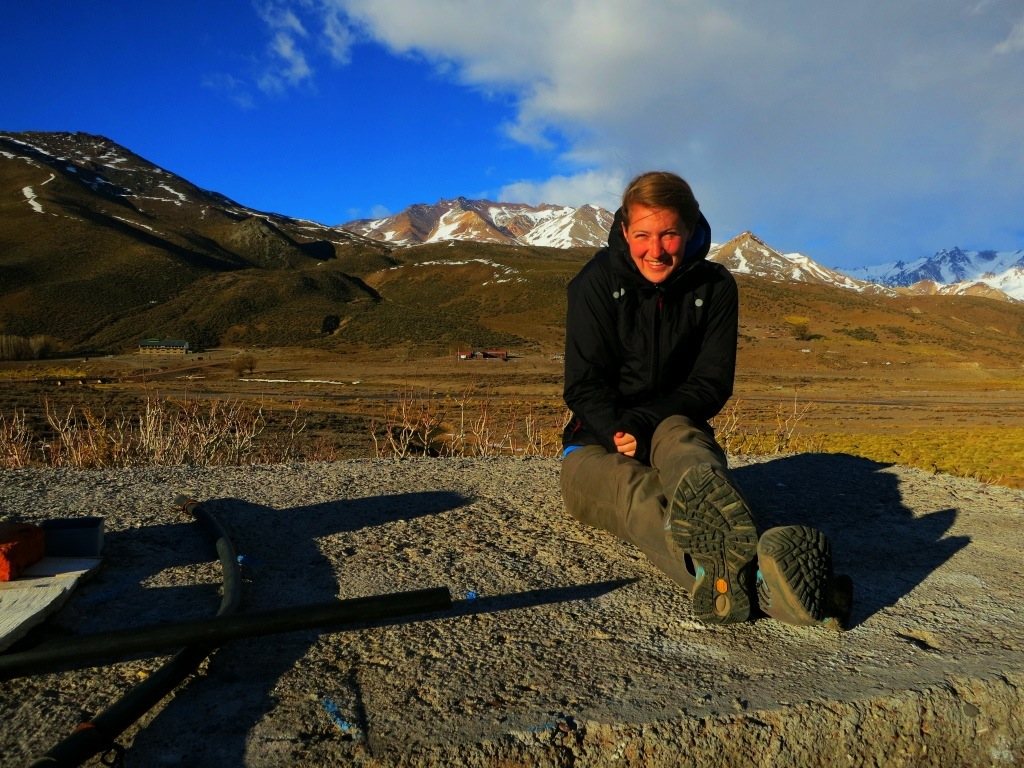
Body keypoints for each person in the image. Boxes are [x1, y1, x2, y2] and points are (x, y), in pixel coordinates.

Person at [560, 171, 851, 627]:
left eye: (669, 234)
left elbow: (710, 383)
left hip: (673, 421)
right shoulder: (595, 282)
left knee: (691, 456)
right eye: (643, 235)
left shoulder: (715, 287)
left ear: (691, 230)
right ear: (624, 231)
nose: (656, 250)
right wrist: (616, 429)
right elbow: (582, 384)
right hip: (595, 439)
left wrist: (643, 423)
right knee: (633, 492)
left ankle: (726, 572)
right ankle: (763, 581)